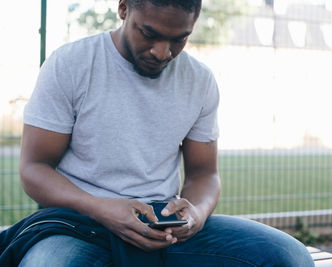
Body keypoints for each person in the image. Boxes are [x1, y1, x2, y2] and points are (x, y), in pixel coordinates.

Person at [16, 0, 314, 266]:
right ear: (123, 8)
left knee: (290, 257)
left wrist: (196, 213)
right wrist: (102, 208)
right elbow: (34, 168)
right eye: (149, 34)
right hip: (80, 223)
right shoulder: (71, 63)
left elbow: (203, 174)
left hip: (165, 227)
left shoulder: (199, 80)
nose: (162, 52)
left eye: (179, 39)